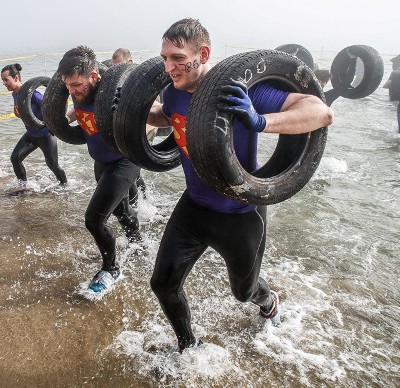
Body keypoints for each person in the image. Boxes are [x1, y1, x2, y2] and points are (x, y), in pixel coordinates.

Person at [144, 18, 333, 352]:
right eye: (164, 58)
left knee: (242, 293)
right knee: (162, 284)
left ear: (202, 54)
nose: (168, 66)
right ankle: (189, 346)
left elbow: (319, 113)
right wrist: (130, 110)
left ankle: (269, 301)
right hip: (194, 207)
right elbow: (166, 116)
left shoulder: (239, 90)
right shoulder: (174, 93)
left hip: (240, 212)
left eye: (176, 57)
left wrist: (261, 121)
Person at [58, 45, 143, 293]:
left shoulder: (115, 93)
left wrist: (125, 113)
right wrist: (58, 120)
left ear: (94, 77)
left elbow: (147, 124)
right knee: (121, 210)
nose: (72, 90)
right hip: (101, 160)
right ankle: (138, 241)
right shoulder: (77, 91)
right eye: (68, 86)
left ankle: (111, 268)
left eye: (77, 85)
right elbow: (78, 111)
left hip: (124, 160)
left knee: (94, 220)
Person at [1, 63, 67, 191]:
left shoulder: (33, 95)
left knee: (53, 165)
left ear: (15, 78)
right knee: (15, 158)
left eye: (6, 80)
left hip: (45, 135)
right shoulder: (15, 94)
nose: (4, 83)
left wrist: (53, 126)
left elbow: (50, 110)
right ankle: (23, 187)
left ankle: (65, 185)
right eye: (2, 80)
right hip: (31, 134)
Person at [109, 48, 150, 203]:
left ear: (130, 63)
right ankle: (143, 202)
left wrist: (139, 137)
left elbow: (155, 108)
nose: (116, 70)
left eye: (120, 65)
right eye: (114, 67)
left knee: (132, 167)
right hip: (126, 131)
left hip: (144, 130)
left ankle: (138, 204)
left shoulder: (140, 80)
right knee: (134, 173)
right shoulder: (118, 81)